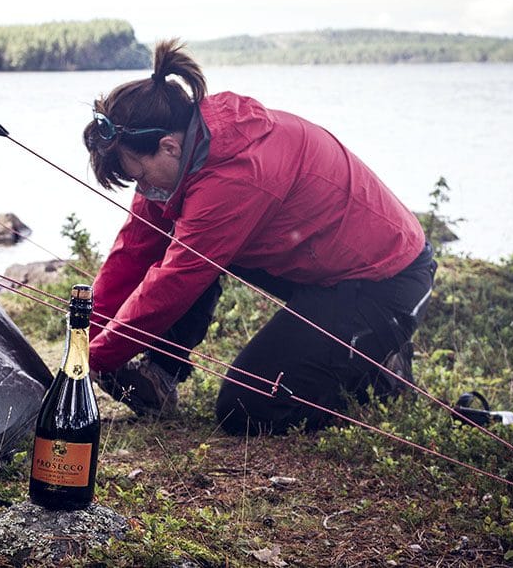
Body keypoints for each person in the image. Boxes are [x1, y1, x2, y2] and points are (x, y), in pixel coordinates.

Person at [83, 39, 437, 435]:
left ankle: (378, 377)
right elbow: (136, 249)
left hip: (386, 283)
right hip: (320, 267)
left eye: (140, 176)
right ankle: (160, 374)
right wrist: (83, 339)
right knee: (173, 242)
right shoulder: (188, 148)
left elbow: (176, 280)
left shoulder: (236, 174)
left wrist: (93, 360)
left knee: (246, 408)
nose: (142, 190)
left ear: (167, 146)